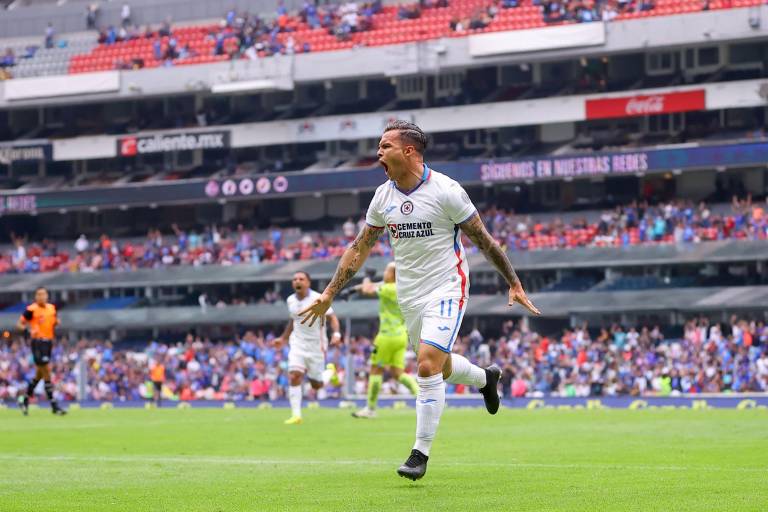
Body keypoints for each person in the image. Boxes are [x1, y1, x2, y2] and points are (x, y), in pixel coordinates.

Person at [299, 120, 539, 480]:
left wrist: (514, 283)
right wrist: (329, 293)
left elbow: (484, 240)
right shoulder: (383, 197)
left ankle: (419, 455)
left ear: (408, 151)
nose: (378, 153)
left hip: (447, 286)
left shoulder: (446, 191)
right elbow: (359, 248)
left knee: (426, 365)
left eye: (385, 146)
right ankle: (485, 379)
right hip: (409, 296)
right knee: (438, 366)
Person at [273, 271, 343, 425]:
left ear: (308, 283)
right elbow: (293, 321)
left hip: (316, 346)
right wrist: (283, 338)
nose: (297, 281)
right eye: (295, 279)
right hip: (297, 343)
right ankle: (296, 415)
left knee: (316, 385)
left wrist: (336, 334)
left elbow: (333, 317)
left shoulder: (318, 298)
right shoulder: (290, 300)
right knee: (294, 375)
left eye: (301, 279)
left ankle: (330, 372)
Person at [352, 262, 419, 418]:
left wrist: (367, 276)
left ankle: (370, 409)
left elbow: (368, 288)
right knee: (397, 373)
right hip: (401, 336)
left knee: (375, 369)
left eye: (387, 271)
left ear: (393, 274)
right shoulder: (404, 288)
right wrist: (352, 289)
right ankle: (422, 398)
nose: (384, 274)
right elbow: (376, 285)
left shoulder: (389, 289)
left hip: (386, 336)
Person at [17, 287, 67, 416]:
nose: (41, 297)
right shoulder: (31, 309)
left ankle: (25, 399)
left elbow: (54, 322)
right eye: (39, 294)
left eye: (44, 294)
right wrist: (28, 331)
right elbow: (20, 324)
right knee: (46, 370)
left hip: (48, 342)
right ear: (35, 297)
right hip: (37, 342)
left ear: (47, 296)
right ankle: (54, 404)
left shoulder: (51, 308)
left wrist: (57, 323)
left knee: (40, 374)